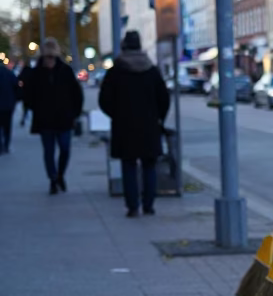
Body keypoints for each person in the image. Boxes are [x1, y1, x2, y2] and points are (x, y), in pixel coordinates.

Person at [99, 31, 170, 217]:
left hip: (124, 127)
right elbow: (164, 98)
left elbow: (104, 100)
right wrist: (158, 117)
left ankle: (132, 206)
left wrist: (117, 114)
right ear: (140, 46)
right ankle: (149, 204)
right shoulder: (151, 70)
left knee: (128, 166)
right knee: (149, 166)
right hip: (149, 126)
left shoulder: (116, 71)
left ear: (124, 47)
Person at [24, 38, 83, 194]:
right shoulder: (36, 73)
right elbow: (28, 94)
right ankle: (52, 179)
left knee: (65, 148)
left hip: (64, 118)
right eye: (47, 57)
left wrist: (74, 113)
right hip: (45, 121)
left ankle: (60, 174)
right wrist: (35, 107)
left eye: (52, 57)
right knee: (49, 151)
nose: (49, 60)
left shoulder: (65, 71)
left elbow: (76, 94)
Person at [0, 61, 18, 154]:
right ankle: (6, 145)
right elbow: (16, 86)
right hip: (8, 104)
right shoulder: (9, 73)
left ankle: (1, 145)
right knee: (7, 126)